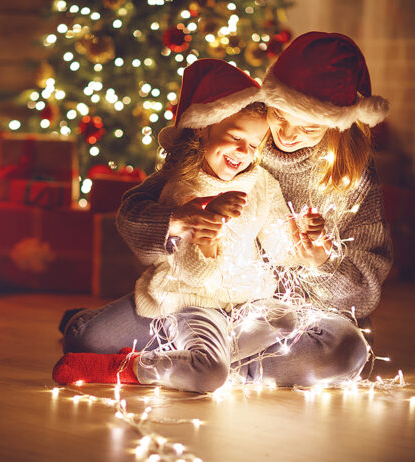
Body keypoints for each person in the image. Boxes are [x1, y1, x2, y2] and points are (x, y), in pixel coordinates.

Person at [53, 59, 362, 392]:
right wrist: (205, 228)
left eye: (255, 146)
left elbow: (279, 246)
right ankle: (157, 352)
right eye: (235, 138)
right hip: (186, 303)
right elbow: (190, 272)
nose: (244, 152)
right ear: (204, 127)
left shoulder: (262, 183)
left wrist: (304, 244)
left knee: (291, 322)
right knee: (87, 340)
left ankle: (196, 362)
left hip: (246, 308)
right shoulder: (181, 186)